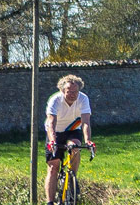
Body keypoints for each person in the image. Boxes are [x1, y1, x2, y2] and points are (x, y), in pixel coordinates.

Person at [44, 74, 94, 205]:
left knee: (75, 146)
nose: (72, 94)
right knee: (53, 166)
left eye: (75, 92)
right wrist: (53, 141)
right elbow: (51, 122)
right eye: (69, 91)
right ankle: (50, 201)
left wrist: (88, 140)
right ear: (62, 90)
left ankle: (72, 178)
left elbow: (86, 122)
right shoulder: (55, 100)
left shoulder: (83, 99)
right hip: (55, 131)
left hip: (72, 129)